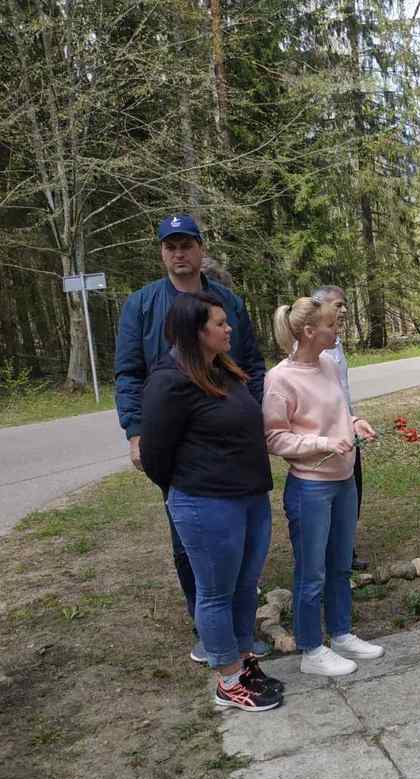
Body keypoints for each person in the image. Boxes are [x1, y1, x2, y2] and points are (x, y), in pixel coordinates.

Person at [115, 214, 267, 664]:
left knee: (242, 538)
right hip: (177, 440)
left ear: (201, 249)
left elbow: (253, 365)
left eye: (186, 245)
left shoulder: (226, 302)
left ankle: (236, 630)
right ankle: (206, 624)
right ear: (162, 253)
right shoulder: (143, 304)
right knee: (188, 538)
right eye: (170, 246)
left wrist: (252, 414)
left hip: (233, 442)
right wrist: (136, 431)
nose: (178, 253)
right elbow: (129, 373)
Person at [139, 293, 281, 711]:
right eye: (220, 323)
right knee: (216, 592)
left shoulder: (221, 369)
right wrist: (186, 493)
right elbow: (154, 456)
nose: (229, 328)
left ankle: (243, 663)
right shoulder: (169, 381)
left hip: (248, 496)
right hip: (207, 502)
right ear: (196, 332)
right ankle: (228, 679)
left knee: (244, 586)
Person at [264, 296, 382, 677]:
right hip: (310, 488)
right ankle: (311, 648)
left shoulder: (329, 364)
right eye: (332, 324)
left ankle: (342, 633)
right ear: (310, 331)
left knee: (339, 565)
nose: (338, 328)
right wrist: (324, 443)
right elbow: (274, 438)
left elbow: (339, 410)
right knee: (310, 572)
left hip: (344, 481)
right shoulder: (280, 379)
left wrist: (355, 422)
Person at [311, 285, 369, 572]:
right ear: (318, 307)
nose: (344, 310)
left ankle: (345, 549)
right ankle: (330, 556)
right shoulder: (311, 349)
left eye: (345, 305)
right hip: (327, 438)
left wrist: (354, 421)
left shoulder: (337, 344)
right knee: (330, 494)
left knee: (353, 490)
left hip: (349, 430)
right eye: (338, 305)